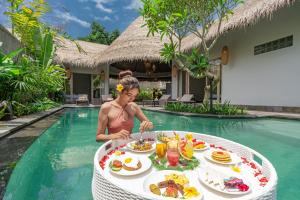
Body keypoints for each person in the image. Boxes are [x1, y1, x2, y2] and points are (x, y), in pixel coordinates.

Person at [96, 70, 154, 141]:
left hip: (130, 146)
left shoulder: (133, 106)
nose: (132, 99)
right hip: (114, 147)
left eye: (135, 96)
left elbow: (150, 126)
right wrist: (114, 135)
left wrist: (148, 124)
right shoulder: (106, 107)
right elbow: (98, 137)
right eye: (129, 95)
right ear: (120, 91)